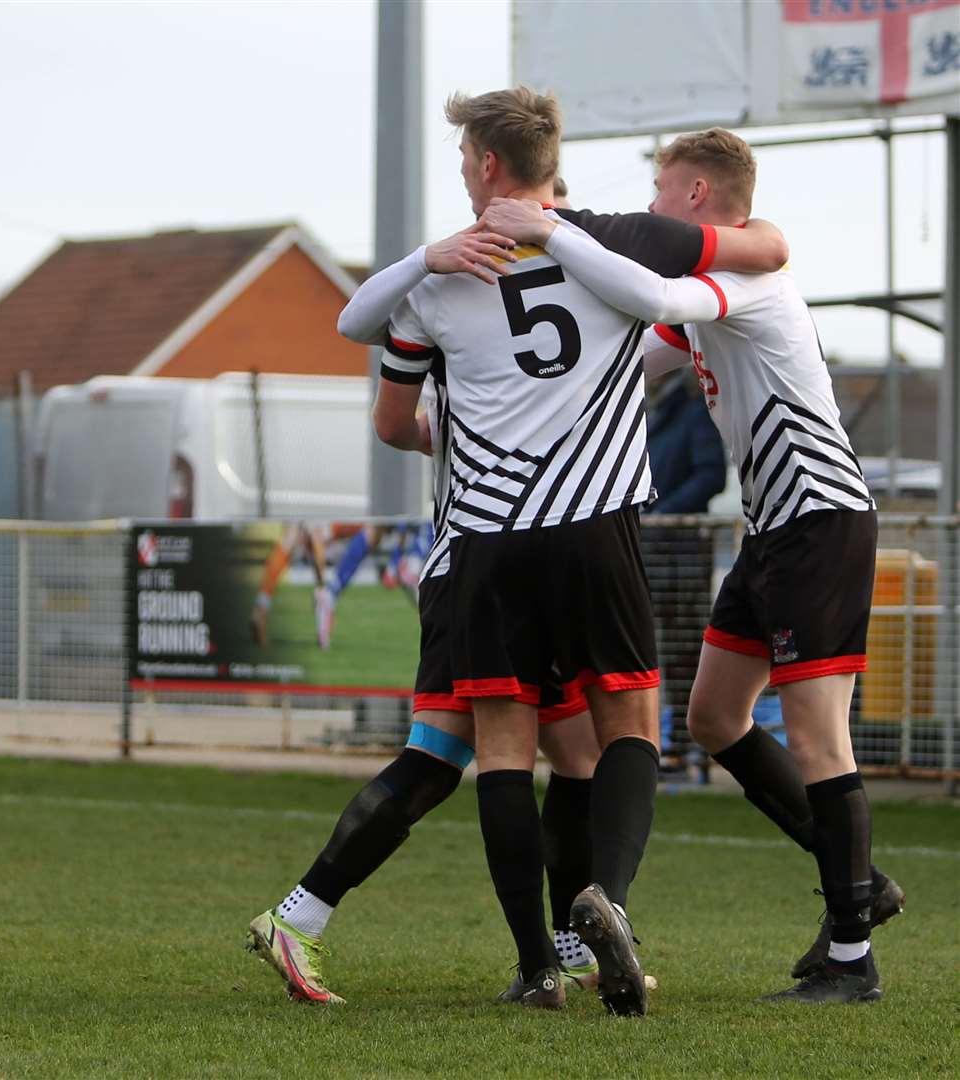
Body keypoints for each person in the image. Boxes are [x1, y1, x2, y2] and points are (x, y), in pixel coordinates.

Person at [343, 87, 788, 1017]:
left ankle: (536, 967)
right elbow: (767, 248)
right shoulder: (618, 238)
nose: (463, 170)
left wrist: (428, 259)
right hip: (594, 523)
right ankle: (606, 903)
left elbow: (368, 351)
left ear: (490, 165)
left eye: (467, 156)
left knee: (504, 747)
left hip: (489, 536)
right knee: (630, 728)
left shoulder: (438, 276)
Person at [481, 126, 900, 1004]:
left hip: (819, 522)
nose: (653, 207)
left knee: (821, 736)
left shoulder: (742, 278)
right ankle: (860, 882)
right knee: (713, 717)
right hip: (773, 531)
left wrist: (555, 230)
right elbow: (624, 353)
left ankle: (852, 956)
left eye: (663, 189)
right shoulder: (717, 285)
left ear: (699, 196)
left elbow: (651, 302)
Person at [248, 377, 609, 1011]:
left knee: (578, 753)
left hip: (516, 569)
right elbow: (395, 425)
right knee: (443, 759)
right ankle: (298, 917)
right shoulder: (484, 343)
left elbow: (407, 429)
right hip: (479, 569)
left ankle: (571, 951)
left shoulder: (480, 346)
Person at [642, 368, 726, 753]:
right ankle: (659, 741)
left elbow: (711, 475)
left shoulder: (692, 414)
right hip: (649, 549)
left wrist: (661, 515)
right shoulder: (648, 415)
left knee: (682, 650)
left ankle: (683, 743)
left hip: (679, 554)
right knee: (644, 646)